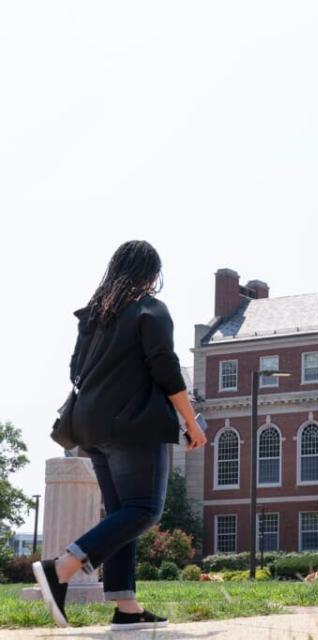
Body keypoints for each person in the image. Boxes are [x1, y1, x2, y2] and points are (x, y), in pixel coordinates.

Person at [33, 240, 207, 630]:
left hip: (89, 426)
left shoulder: (92, 319)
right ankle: (62, 566)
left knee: (122, 514)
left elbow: (75, 370)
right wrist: (191, 421)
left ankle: (125, 605)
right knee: (144, 509)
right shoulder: (150, 309)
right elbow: (165, 367)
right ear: (151, 275)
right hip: (134, 424)